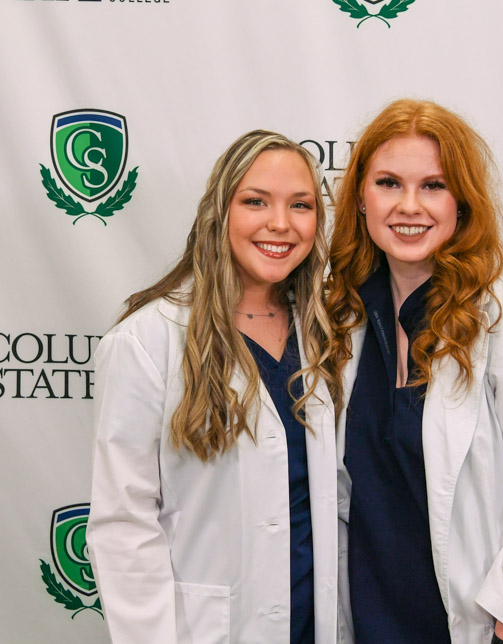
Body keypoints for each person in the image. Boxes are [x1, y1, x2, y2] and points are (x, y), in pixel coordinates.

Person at [326, 100, 503, 644]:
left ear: (463, 202)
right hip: (373, 619)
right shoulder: (345, 314)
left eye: (433, 185)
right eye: (388, 183)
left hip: (489, 629)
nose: (409, 205)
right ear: (360, 199)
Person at [86, 130, 337, 644]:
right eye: (255, 201)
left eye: (301, 205)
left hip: (316, 624)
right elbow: (123, 526)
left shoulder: (326, 334)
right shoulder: (148, 341)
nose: (280, 224)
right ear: (219, 212)